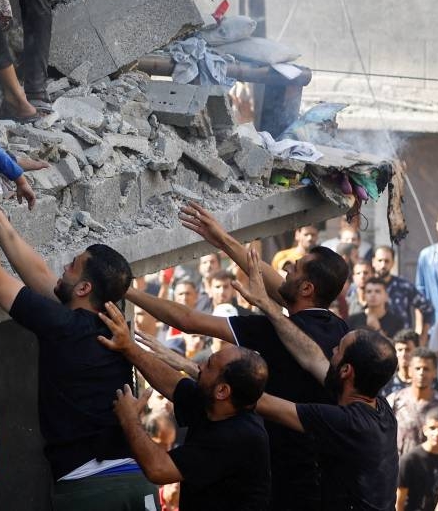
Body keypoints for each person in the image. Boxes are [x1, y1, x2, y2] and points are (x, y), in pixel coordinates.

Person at [0, 154, 157, 510]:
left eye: (73, 267)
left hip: (91, 489)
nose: (63, 267)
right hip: (136, 480)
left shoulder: (64, 327)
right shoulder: (106, 316)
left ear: (83, 290)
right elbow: (40, 275)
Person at [131, 202, 349, 511]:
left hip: (285, 471)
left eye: (294, 268)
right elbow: (279, 287)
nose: (285, 267)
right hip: (314, 469)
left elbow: (189, 321)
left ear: (307, 288)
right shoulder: (335, 327)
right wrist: (222, 238)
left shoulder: (278, 330)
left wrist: (127, 290)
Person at [234, 247, 399, 511]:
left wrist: (202, 372)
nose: (331, 349)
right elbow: (311, 356)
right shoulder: (381, 410)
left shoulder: (343, 422)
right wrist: (267, 305)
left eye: (338, 350)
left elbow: (264, 403)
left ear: (346, 372)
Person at [96, 302, 271, 510]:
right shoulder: (215, 403)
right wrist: (129, 347)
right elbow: (173, 383)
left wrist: (130, 419)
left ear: (222, 391)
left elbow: (159, 470)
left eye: (209, 365)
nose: (199, 366)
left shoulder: (240, 436)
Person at [389, 349, 438, 457]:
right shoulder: (395, 400)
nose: (421, 373)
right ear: (410, 370)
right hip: (398, 468)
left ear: (435, 372)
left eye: (426, 369)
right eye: (418, 368)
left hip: (434, 469)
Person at [374, 245, 434, 340]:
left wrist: (422, 337)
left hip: (402, 345)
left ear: (393, 263)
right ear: (373, 261)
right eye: (380, 260)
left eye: (387, 261)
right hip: (373, 344)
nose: (383, 265)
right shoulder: (366, 286)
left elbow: (427, 309)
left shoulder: (403, 286)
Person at [398, 405, 438, 511]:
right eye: (432, 428)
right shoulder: (409, 460)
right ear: (425, 430)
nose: (437, 433)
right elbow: (399, 501)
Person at [418, 211, 438, 320]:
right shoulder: (426, 255)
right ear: (437, 226)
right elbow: (420, 291)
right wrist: (419, 326)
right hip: (434, 322)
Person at [385, 328, 423, 397]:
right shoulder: (386, 382)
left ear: (417, 351)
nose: (403, 354)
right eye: (400, 350)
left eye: (408, 350)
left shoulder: (425, 380)